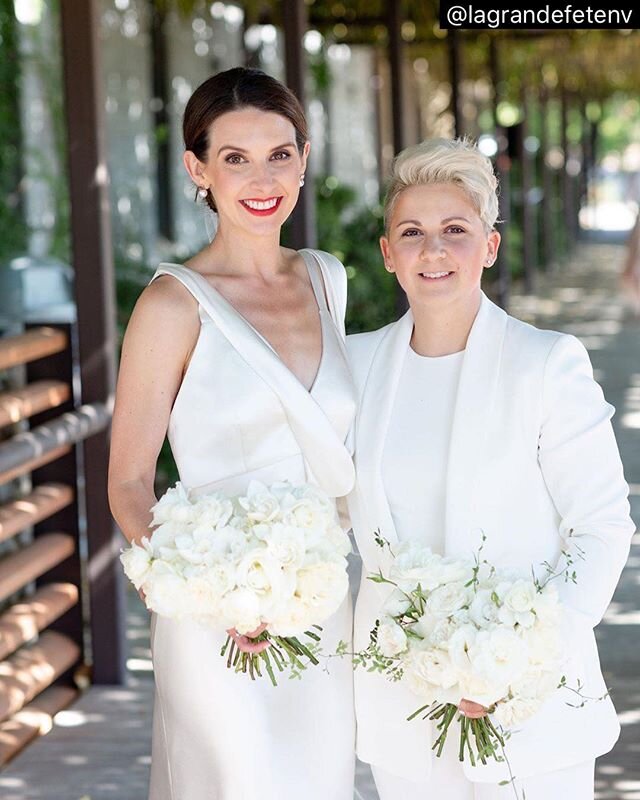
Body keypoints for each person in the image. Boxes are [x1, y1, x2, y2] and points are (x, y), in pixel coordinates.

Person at [346, 138, 635, 799]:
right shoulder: (354, 369)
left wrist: (521, 660)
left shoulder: (546, 363)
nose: (434, 250)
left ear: (490, 247)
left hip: (531, 711)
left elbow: (601, 526)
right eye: (412, 233)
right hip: (401, 707)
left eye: (456, 230)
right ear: (389, 254)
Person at [108, 67, 357, 800]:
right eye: (235, 158)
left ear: (304, 159)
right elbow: (127, 481)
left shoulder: (326, 278)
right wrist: (206, 592)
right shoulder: (171, 305)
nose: (262, 178)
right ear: (198, 168)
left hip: (319, 603)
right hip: (212, 614)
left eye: (280, 154)